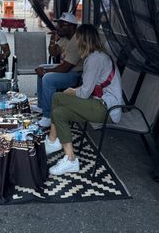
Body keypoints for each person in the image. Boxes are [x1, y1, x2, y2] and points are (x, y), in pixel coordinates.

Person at [45, 24, 123, 176]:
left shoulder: (94, 59)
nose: (76, 42)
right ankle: (70, 159)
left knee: (58, 97)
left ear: (84, 40)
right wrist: (74, 92)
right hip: (99, 103)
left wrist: (72, 91)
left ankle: (53, 141)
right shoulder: (98, 56)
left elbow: (84, 93)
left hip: (106, 108)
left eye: (78, 39)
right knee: (60, 113)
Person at [34, 12, 83, 128]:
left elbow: (65, 68)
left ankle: (48, 116)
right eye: (59, 24)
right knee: (42, 67)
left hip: (76, 74)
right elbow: (53, 52)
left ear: (72, 27)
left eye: (62, 25)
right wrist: (52, 40)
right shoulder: (66, 38)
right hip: (67, 69)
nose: (58, 27)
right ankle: (41, 105)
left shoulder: (77, 41)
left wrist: (45, 72)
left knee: (47, 78)